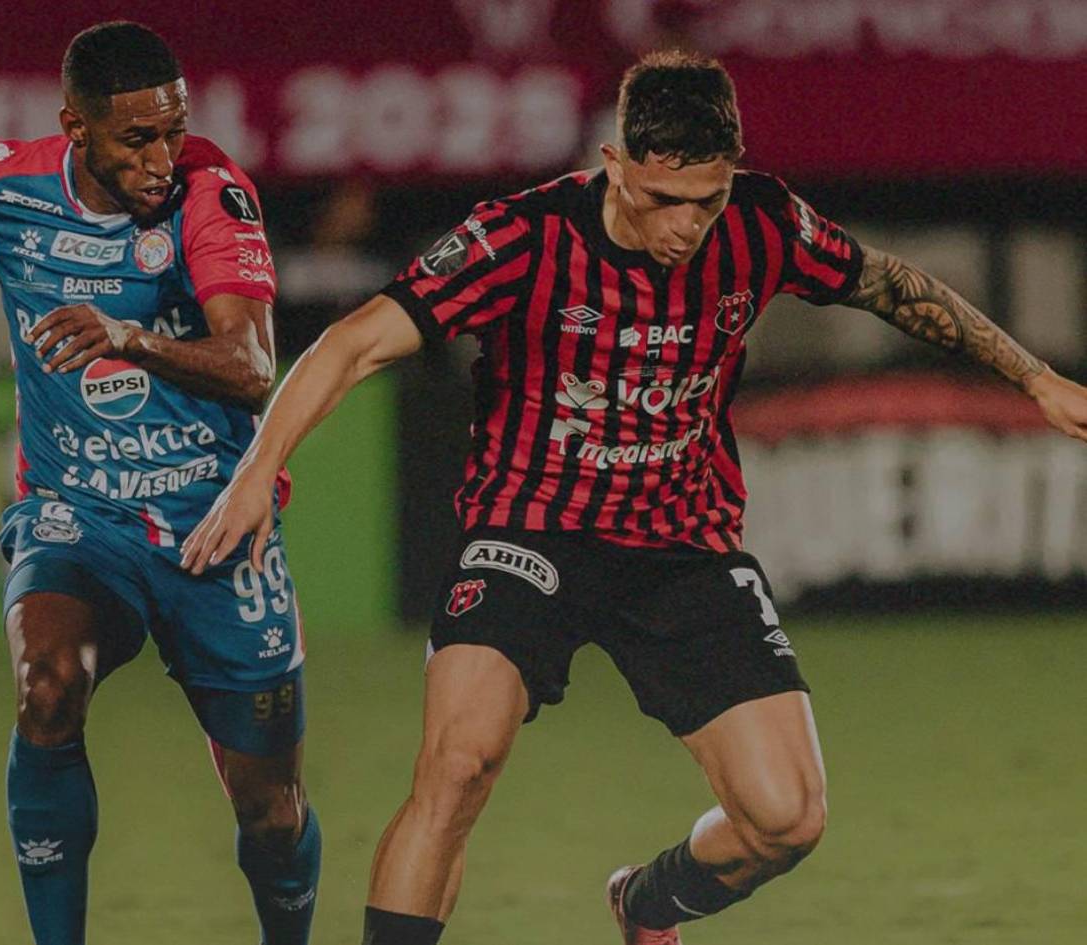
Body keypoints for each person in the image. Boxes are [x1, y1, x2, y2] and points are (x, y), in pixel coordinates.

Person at [180, 50, 1087, 945]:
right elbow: (351, 344)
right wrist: (259, 470)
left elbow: (891, 284)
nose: (688, 225)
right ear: (615, 164)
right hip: (526, 530)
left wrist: (1036, 379)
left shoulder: (764, 222)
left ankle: (647, 904)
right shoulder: (522, 236)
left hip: (681, 541)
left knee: (789, 818)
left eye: (709, 199)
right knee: (459, 765)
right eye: (665, 200)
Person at [0, 21, 320, 945]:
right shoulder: (6, 182)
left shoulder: (212, 194)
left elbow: (254, 366)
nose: (164, 156)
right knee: (46, 684)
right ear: (76, 128)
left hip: (213, 526)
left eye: (174, 129)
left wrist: (130, 335)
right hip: (78, 516)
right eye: (139, 138)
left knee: (273, 809)